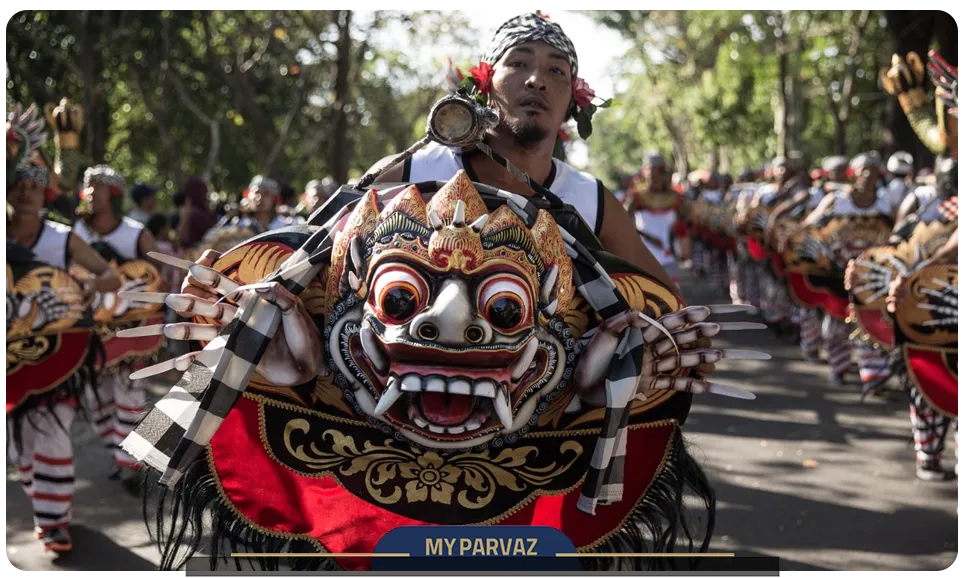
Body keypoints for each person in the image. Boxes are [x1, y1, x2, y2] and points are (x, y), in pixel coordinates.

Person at [366, 14, 676, 291]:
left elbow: (670, 308)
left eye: (556, 70)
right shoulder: (408, 176)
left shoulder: (591, 203)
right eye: (518, 63)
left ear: (572, 103)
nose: (537, 80)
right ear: (484, 85)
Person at [6, 159, 121, 553]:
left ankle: (54, 523)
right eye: (18, 184)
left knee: (54, 434)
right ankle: (45, 503)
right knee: (20, 450)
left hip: (61, 355)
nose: (25, 192)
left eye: (34, 187)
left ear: (45, 195)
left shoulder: (60, 237)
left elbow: (111, 276)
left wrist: (84, 287)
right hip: (12, 358)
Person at [73, 165, 160, 489]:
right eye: (88, 186)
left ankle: (133, 464)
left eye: (99, 187)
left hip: (129, 331)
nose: (92, 193)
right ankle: (118, 455)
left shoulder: (136, 233)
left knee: (131, 397)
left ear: (115, 193)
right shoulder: (75, 232)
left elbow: (157, 280)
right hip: (89, 330)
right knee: (98, 402)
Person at [623, 154, 682, 289]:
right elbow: (623, 223)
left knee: (674, 298)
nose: (656, 178)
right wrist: (647, 237)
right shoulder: (636, 196)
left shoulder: (676, 197)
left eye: (659, 173)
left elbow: (686, 223)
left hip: (669, 257)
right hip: (644, 257)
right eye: (652, 174)